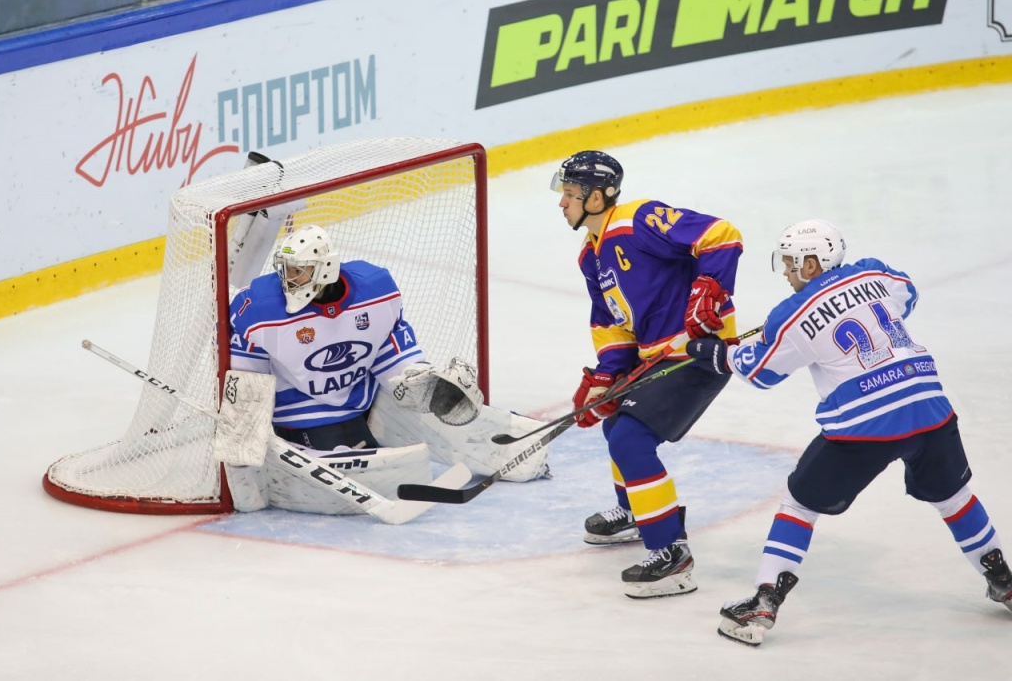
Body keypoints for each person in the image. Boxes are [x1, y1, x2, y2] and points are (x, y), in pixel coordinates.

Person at [686, 219, 1012, 646]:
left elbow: (762, 373)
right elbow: (906, 295)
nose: (785, 273)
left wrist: (717, 355)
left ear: (812, 262)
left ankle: (765, 600)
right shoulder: (874, 272)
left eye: (790, 263)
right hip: (928, 404)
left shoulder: (792, 313)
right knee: (954, 497)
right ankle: (1002, 579)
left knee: (799, 505)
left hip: (865, 422)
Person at [226, 224, 550, 514]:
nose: (289, 280)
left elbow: (393, 355)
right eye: (287, 270)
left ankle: (518, 453)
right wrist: (246, 466)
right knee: (385, 468)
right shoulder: (259, 309)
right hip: (300, 413)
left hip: (361, 402)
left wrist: (424, 382)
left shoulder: (376, 291)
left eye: (299, 271)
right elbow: (246, 390)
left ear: (324, 270)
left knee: (426, 417)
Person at [550, 150, 744, 598]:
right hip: (654, 357)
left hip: (697, 352)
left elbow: (721, 235)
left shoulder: (639, 219)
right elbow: (612, 322)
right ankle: (638, 511)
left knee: (630, 439)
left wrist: (709, 289)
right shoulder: (590, 256)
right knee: (616, 423)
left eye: (571, 193)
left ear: (598, 197)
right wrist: (606, 377)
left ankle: (673, 556)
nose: (563, 202)